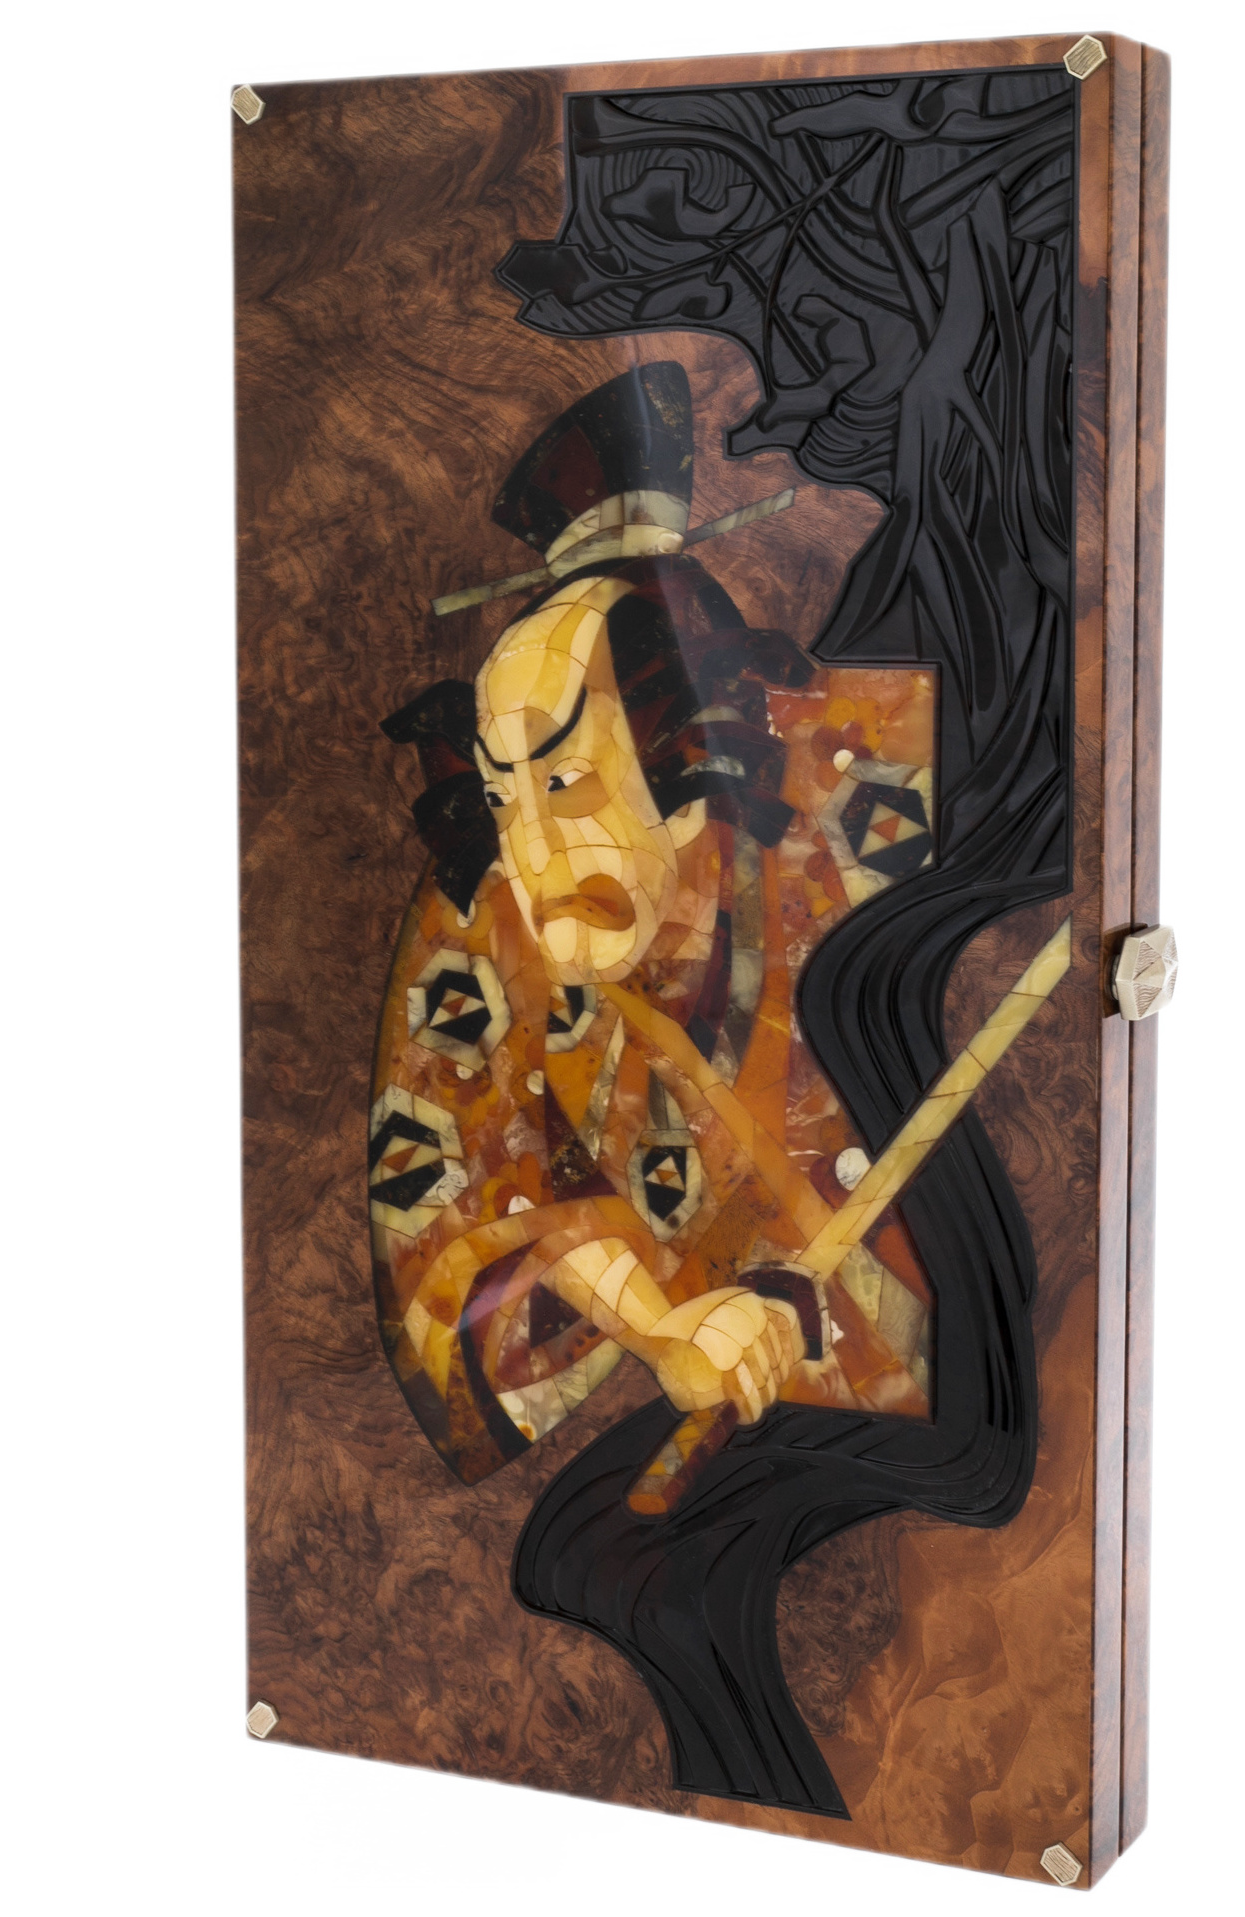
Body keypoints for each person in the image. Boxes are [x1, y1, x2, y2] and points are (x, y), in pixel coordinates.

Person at [374, 363, 941, 1486]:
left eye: (565, 782)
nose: (533, 857)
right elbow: (439, 1226)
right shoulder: (482, 932)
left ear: (684, 752)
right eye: (503, 797)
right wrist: (653, 1321)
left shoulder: (857, 807)